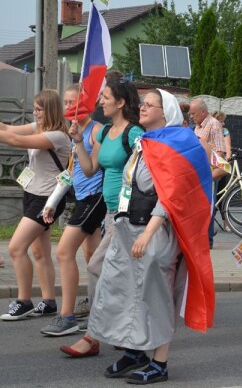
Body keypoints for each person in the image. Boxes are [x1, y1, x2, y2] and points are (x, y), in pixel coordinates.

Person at [86, 89, 213, 384]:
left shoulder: (178, 143)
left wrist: (149, 234)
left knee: (155, 298)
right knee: (127, 292)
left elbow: (172, 196)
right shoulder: (146, 142)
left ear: (164, 111)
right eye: (142, 103)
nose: (141, 107)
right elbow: (131, 186)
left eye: (149, 104)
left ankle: (160, 362)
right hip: (129, 228)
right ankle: (134, 352)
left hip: (155, 234)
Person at [60, 77, 144, 356]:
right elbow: (90, 168)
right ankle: (123, 331)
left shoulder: (133, 134)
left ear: (121, 102)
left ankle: (93, 336)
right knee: (119, 274)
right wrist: (77, 142)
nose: (101, 101)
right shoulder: (105, 131)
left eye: (106, 96)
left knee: (97, 266)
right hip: (110, 214)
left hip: (127, 215)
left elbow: (146, 175)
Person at [40, 84, 107, 336]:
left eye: (73, 103)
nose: (68, 107)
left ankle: (67, 317)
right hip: (81, 198)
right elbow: (71, 171)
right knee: (94, 258)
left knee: (64, 251)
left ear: (86, 105)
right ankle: (101, 305)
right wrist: (52, 201)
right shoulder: (72, 131)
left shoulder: (97, 131)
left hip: (95, 197)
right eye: (66, 103)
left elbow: (90, 169)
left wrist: (79, 139)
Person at [0, 90, 71, 320]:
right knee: (39, 251)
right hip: (31, 193)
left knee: (16, 248)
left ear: (49, 110)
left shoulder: (57, 136)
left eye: (39, 110)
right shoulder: (38, 127)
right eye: (33, 108)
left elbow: (15, 140)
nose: (35, 113)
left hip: (47, 199)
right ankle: (49, 301)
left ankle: (24, 301)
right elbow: (9, 130)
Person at [190, 99, 226, 248]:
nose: (191, 116)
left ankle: (207, 242)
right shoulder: (198, 126)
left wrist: (212, 171)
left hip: (209, 173)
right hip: (197, 172)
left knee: (207, 206)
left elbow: (220, 152)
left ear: (203, 112)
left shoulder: (214, 124)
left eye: (194, 113)